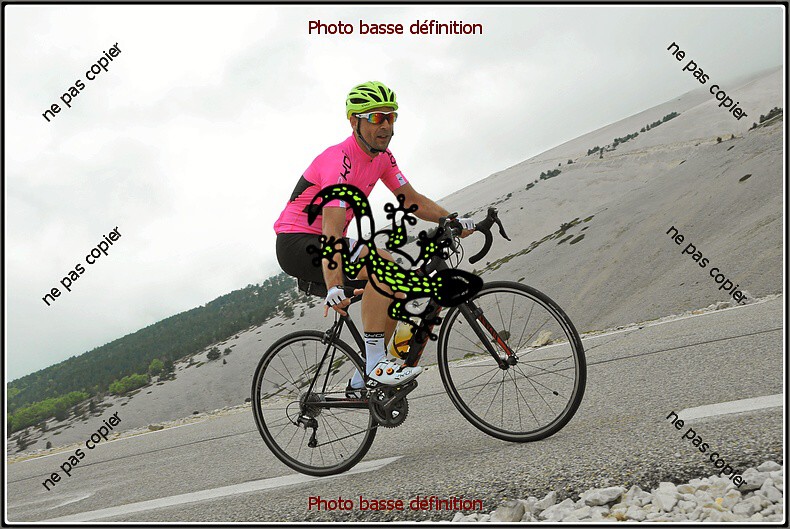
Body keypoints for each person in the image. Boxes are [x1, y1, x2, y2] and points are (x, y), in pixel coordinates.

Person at [273, 81, 474, 393]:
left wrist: (450, 219)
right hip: (296, 242)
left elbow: (411, 199)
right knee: (382, 264)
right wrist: (334, 285)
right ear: (354, 121)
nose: (386, 126)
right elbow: (331, 234)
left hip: (327, 242)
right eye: (377, 118)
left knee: (396, 288)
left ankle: (364, 377)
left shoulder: (383, 157)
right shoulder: (338, 161)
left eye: (391, 117)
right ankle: (375, 364)